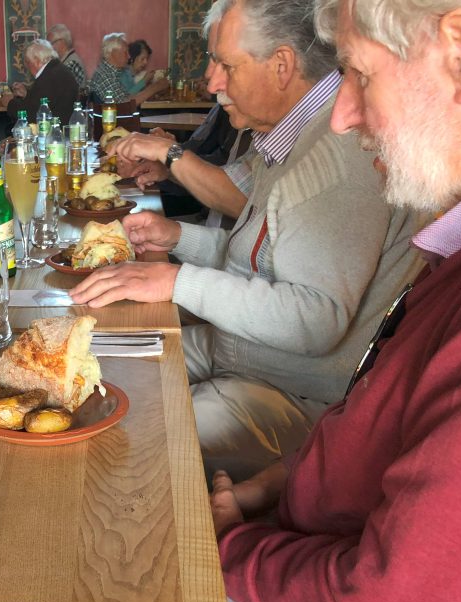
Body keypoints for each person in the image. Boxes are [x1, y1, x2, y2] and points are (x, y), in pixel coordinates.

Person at [0, 0, 461, 602]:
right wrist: (281, 488)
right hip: (343, 588)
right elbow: (410, 441)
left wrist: (230, 551)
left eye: (359, 76)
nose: (344, 115)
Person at [73, 0, 423, 481]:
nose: (211, 81)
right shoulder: (289, 137)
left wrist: (177, 282)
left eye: (226, 65)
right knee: (93, 362)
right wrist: (176, 236)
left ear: (282, 65)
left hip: (298, 393)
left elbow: (316, 319)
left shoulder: (338, 154)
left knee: (119, 437)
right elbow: (258, 260)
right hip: (242, 352)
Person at [1, 39, 78, 124]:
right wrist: (27, 94)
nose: (28, 68)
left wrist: (10, 103)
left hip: (55, 130)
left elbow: (33, 116)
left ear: (37, 61)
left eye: (28, 62)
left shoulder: (48, 77)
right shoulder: (57, 69)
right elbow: (41, 102)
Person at [89, 32, 167, 106]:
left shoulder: (110, 72)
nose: (129, 56)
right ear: (113, 53)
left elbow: (126, 97)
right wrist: (155, 87)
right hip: (117, 115)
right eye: (125, 52)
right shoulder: (106, 76)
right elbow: (124, 105)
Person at [46, 23, 87, 99]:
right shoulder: (63, 61)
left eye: (50, 44)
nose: (48, 48)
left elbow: (59, 91)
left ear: (62, 42)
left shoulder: (72, 63)